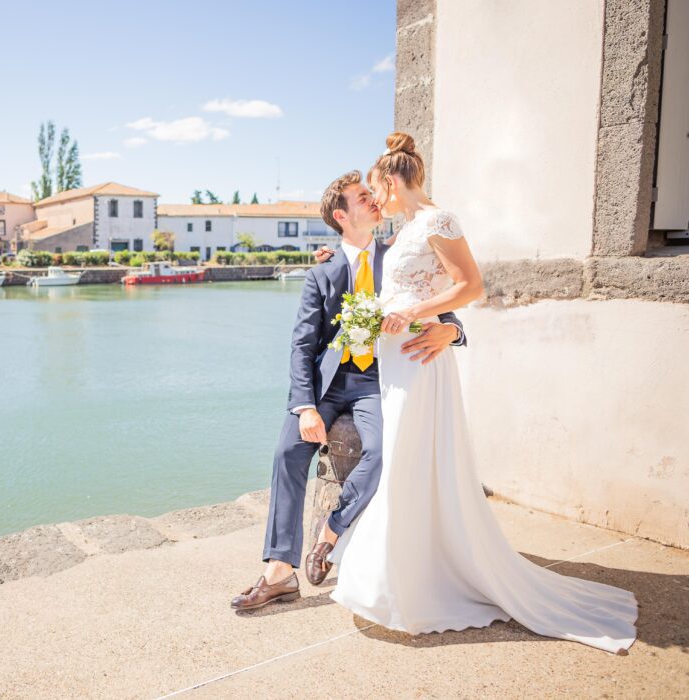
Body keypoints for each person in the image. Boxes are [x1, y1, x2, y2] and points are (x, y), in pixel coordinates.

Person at [325, 132, 638, 653]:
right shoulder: (405, 231)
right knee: (406, 461)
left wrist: (417, 315)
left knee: (411, 458)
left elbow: (471, 286)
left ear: (393, 180)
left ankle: (425, 576)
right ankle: (413, 565)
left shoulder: (438, 220)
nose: (374, 199)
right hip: (398, 361)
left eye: (376, 187)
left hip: (421, 360)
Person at [230, 170, 467, 611]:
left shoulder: (397, 259)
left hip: (376, 382)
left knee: (379, 451)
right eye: (363, 198)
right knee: (287, 454)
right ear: (342, 216)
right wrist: (305, 408)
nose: (375, 200)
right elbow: (302, 345)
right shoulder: (321, 273)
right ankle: (279, 573)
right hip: (328, 384)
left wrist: (452, 331)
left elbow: (437, 300)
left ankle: (331, 533)